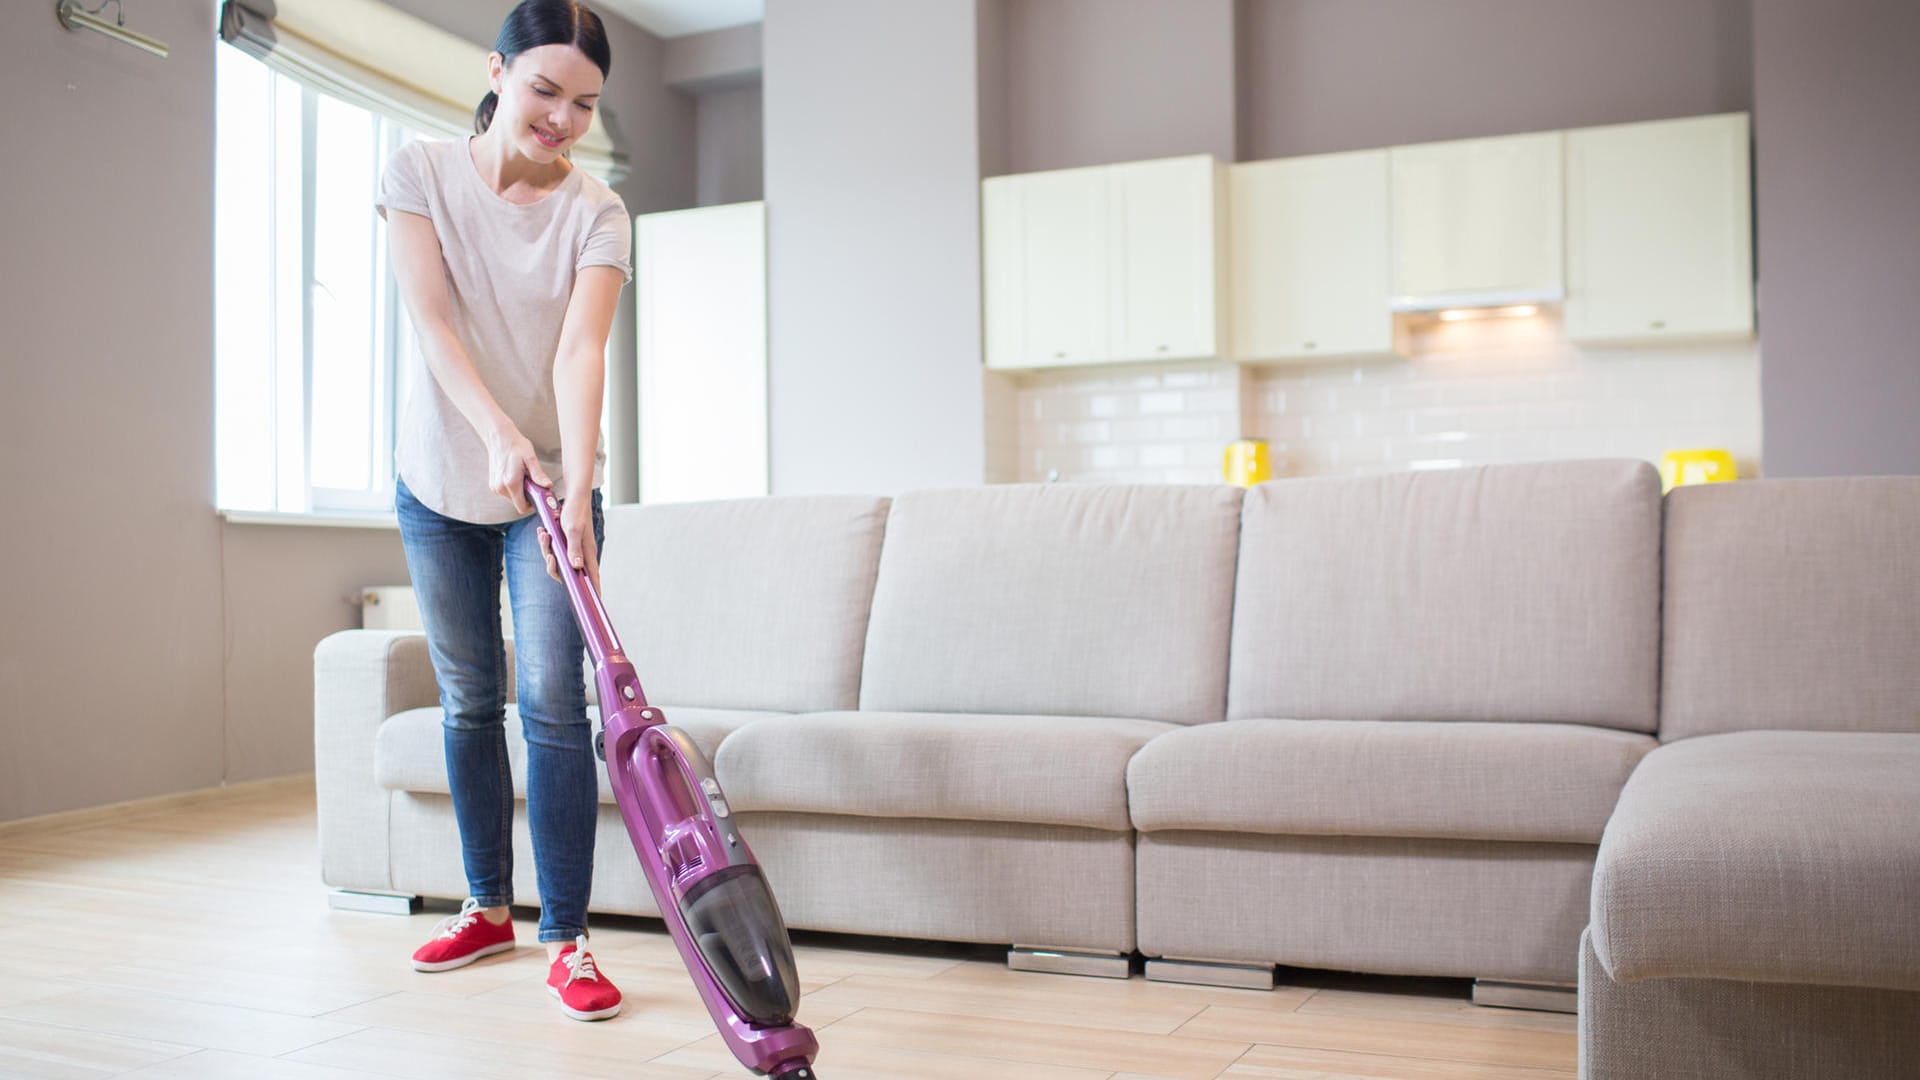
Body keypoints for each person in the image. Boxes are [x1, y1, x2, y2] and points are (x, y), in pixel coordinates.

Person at [373, 0, 630, 1022]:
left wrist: (572, 486)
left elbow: (581, 350)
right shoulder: (418, 172)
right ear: (497, 70)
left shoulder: (598, 212)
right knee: (469, 699)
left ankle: (566, 937)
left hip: (548, 491)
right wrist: (495, 433)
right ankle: (486, 908)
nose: (562, 117)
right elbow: (432, 323)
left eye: (585, 104)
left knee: (555, 709)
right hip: (440, 477)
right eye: (544, 90)